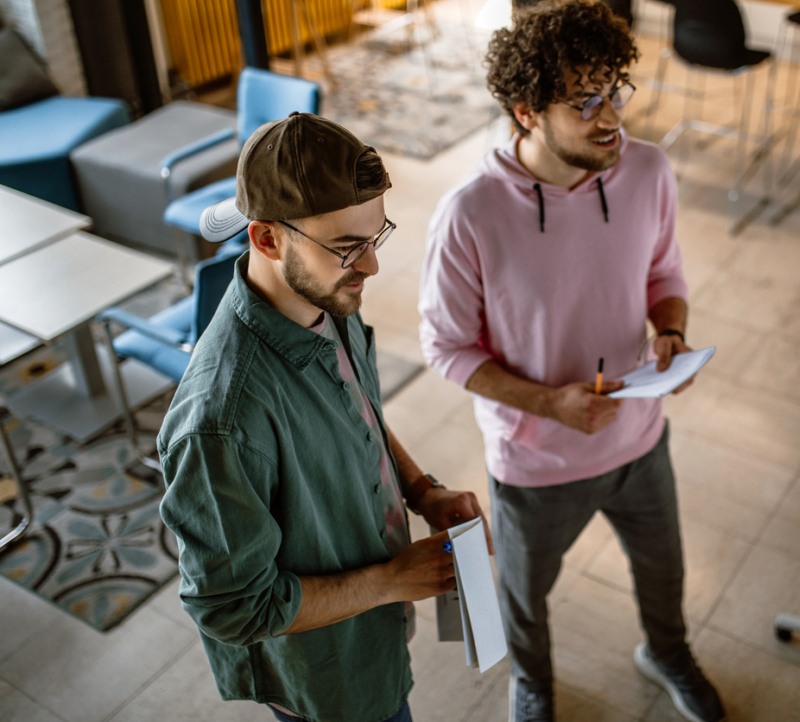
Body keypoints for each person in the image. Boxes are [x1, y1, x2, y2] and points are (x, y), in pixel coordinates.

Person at [418, 2, 726, 721]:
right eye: (583, 100)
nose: (610, 116)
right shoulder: (470, 215)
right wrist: (548, 403)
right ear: (526, 111)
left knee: (663, 572)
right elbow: (445, 345)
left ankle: (667, 652)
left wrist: (670, 332)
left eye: (614, 90)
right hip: (536, 464)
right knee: (525, 598)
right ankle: (533, 684)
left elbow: (664, 273)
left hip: (640, 440)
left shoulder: (648, 171)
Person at [158, 112, 490, 722]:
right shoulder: (221, 422)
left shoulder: (324, 297)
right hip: (330, 673)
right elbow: (236, 611)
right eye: (346, 248)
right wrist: (392, 580)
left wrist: (422, 490)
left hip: (374, 624)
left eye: (374, 238)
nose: (371, 267)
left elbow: (355, 407)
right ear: (266, 238)